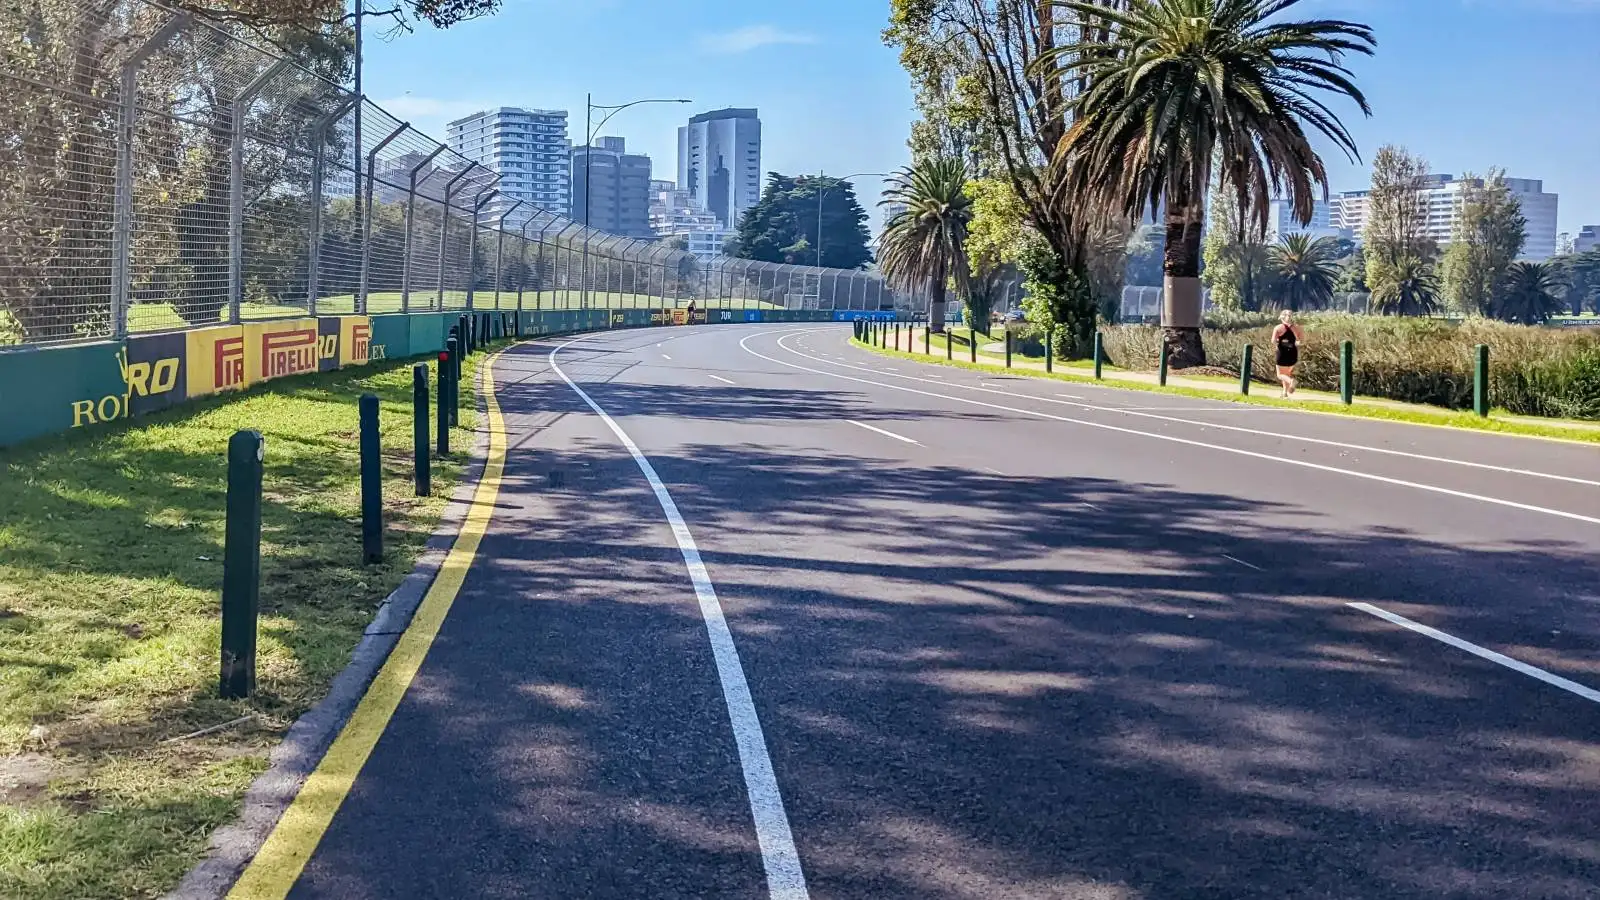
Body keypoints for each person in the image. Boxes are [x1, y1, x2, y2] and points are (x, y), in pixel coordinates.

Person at [1272, 310, 1304, 398]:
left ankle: (1291, 381)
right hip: (1293, 353)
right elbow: (1301, 341)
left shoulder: (1278, 328)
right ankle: (1284, 392)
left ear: (1282, 318)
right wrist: (1295, 343)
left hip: (1282, 353)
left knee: (1280, 375)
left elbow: (1273, 341)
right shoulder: (1298, 328)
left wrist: (1279, 343)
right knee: (1286, 374)